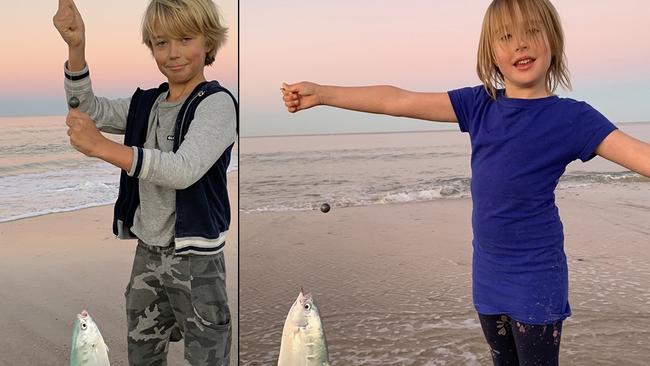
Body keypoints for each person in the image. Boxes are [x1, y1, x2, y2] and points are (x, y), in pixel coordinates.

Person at [281, 0, 650, 364]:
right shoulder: (480, 105)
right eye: (505, 36)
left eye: (532, 31)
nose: (519, 44)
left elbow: (639, 156)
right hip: (488, 273)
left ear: (552, 39)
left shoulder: (573, 118)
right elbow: (398, 99)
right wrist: (325, 94)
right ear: (490, 53)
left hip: (536, 277)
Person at [53, 0, 237, 364]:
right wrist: (76, 47)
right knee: (142, 356)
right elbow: (86, 109)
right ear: (151, 47)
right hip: (147, 255)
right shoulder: (146, 103)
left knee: (207, 357)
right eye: (161, 42)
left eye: (185, 39)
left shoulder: (217, 104)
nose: (173, 53)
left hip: (196, 260)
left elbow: (182, 169)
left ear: (209, 42)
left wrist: (103, 148)